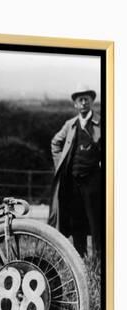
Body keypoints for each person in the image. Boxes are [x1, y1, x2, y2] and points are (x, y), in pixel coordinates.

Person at [48, 85, 102, 257]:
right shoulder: (70, 125)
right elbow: (55, 143)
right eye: (80, 100)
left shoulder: (102, 123)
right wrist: (61, 165)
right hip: (73, 182)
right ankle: (81, 257)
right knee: (76, 219)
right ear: (75, 105)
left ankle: (99, 259)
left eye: (87, 99)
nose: (84, 103)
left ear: (92, 102)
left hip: (94, 181)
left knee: (96, 221)